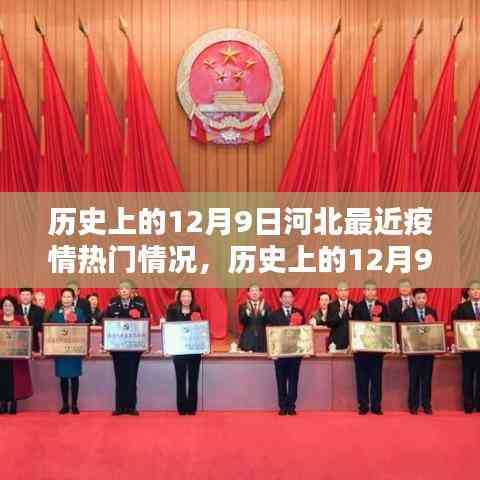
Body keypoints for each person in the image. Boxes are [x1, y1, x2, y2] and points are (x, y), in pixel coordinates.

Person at [104, 281, 149, 416]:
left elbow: (146, 321)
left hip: (134, 348)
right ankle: (119, 407)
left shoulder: (139, 305)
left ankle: (131, 407)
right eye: (121, 289)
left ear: (131, 291)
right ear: (118, 291)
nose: (123, 291)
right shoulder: (112, 304)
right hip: (117, 348)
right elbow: (105, 321)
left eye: (126, 289)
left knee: (132, 377)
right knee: (119, 377)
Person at [352, 281, 389, 415]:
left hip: (377, 351)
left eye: (373, 290)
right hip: (361, 350)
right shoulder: (357, 307)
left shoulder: (383, 307)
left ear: (376, 292)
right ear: (363, 291)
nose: (370, 292)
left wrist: (380, 324)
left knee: (376, 379)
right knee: (361, 379)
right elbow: (354, 327)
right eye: (368, 290)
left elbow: (387, 327)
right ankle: (363, 406)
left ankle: (376, 406)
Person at [268, 288, 306, 416]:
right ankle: (283, 406)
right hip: (280, 353)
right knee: (281, 380)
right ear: (280, 299)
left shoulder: (299, 313)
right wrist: (272, 352)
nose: (287, 299)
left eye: (289, 297)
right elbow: (271, 335)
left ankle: (291, 406)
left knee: (294, 380)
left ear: (293, 299)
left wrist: (305, 349)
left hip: (295, 353)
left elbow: (303, 333)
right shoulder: (274, 315)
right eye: (284, 297)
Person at [165, 288, 203, 415]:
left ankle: (192, 408)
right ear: (179, 297)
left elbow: (201, 329)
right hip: (179, 350)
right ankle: (181, 408)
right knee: (180, 379)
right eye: (183, 296)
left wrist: (204, 346)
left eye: (189, 296)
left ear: (192, 298)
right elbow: (169, 329)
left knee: (193, 379)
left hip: (194, 350)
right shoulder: (172, 310)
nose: (186, 298)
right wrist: (168, 347)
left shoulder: (196, 309)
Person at [51, 288, 87, 415]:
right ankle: (65, 405)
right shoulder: (56, 313)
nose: (66, 299)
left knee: (74, 377)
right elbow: (52, 330)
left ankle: (75, 405)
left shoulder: (79, 312)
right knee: (63, 378)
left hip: (74, 350)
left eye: (69, 297)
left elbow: (83, 329)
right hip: (60, 350)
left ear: (73, 298)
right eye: (64, 297)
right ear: (61, 298)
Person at [402, 288, 438, 415]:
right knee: (414, 379)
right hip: (414, 353)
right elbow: (404, 332)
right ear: (413, 299)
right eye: (418, 298)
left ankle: (426, 405)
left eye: (424, 298)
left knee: (427, 379)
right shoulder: (407, 313)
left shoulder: (432, 312)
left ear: (426, 299)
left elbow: (436, 331)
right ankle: (413, 405)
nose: (421, 300)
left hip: (428, 352)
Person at [0, 296, 33, 414]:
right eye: (5, 305)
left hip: (17, 358)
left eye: (10, 305)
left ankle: (13, 403)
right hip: (1, 358)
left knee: (14, 380)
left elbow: (27, 338)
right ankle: (2, 403)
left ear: (14, 307)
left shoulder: (21, 320)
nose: (7, 307)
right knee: (2, 379)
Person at [453, 281, 480, 413]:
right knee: (467, 377)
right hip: (468, 348)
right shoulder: (462, 307)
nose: (476, 291)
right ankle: (468, 405)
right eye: (473, 289)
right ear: (468, 292)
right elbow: (457, 326)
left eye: (478, 289)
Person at [238, 284, 271, 353]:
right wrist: (247, 313)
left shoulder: (267, 306)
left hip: (262, 340)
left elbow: (268, 321)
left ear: (261, 293)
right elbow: (242, 321)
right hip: (247, 340)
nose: (254, 293)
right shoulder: (243, 306)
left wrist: (263, 313)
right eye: (252, 291)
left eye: (256, 290)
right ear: (248, 293)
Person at [326, 282, 355, 350]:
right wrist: (339, 315)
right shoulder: (331, 305)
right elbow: (329, 323)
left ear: (348, 292)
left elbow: (357, 324)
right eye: (341, 290)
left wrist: (350, 315)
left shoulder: (354, 305)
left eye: (345, 290)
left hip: (350, 342)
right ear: (337, 292)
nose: (343, 293)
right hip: (336, 341)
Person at [17, 288, 45, 353]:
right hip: (17, 343)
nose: (25, 297)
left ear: (32, 296)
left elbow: (40, 327)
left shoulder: (38, 310)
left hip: (33, 344)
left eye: (27, 295)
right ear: (20, 296)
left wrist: (28, 325)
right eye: (23, 295)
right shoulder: (15, 309)